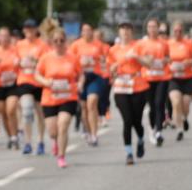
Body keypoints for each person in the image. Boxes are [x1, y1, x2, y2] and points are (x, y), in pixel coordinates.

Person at [34, 28, 82, 168]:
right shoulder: (45, 58)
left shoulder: (73, 57)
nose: (59, 43)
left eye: (61, 40)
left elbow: (81, 74)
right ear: (51, 42)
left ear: (65, 41)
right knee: (52, 131)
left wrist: (80, 84)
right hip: (50, 98)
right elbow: (37, 75)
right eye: (56, 41)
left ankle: (61, 156)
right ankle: (56, 142)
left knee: (63, 125)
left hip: (68, 97)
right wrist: (45, 82)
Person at [108, 22, 150, 165]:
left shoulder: (139, 46)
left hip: (138, 85)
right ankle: (129, 153)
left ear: (132, 32)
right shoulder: (113, 50)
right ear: (119, 32)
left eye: (128, 30)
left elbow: (148, 63)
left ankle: (140, 139)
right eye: (122, 30)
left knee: (136, 121)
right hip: (121, 87)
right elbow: (111, 69)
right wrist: (124, 59)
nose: (125, 32)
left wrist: (136, 57)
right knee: (127, 120)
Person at [69, 23, 109, 146]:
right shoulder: (76, 45)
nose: (87, 32)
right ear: (81, 32)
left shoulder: (99, 45)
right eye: (84, 30)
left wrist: (102, 61)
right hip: (81, 78)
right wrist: (80, 61)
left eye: (89, 30)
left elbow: (107, 58)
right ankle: (87, 129)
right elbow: (69, 60)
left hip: (95, 76)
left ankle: (94, 135)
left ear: (92, 32)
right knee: (84, 107)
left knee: (92, 103)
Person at [14, 19, 49, 155]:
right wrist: (18, 63)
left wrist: (36, 62)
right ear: (23, 30)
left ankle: (40, 141)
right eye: (26, 29)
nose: (29, 31)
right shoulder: (19, 45)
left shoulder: (42, 45)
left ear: (36, 30)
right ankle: (28, 142)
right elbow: (14, 62)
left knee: (40, 114)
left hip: (39, 82)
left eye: (31, 28)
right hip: (24, 81)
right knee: (27, 111)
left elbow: (47, 62)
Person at [0, 27, 21, 150]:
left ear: (9, 37)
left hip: (13, 84)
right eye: (1, 36)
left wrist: (19, 63)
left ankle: (15, 135)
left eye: (6, 36)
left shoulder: (15, 50)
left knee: (11, 109)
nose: (4, 38)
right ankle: (11, 136)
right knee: (3, 113)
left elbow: (22, 65)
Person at [137, 18, 170, 146]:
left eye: (155, 26)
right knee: (152, 106)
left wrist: (165, 61)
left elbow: (168, 57)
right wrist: (146, 60)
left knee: (159, 103)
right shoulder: (141, 44)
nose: (152, 29)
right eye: (150, 27)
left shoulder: (164, 43)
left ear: (158, 28)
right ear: (147, 29)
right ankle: (152, 128)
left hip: (162, 77)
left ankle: (159, 131)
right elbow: (137, 59)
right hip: (147, 78)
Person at [166, 22, 192, 141]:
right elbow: (163, 59)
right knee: (176, 102)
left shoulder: (189, 44)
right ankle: (179, 129)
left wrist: (188, 62)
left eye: (180, 31)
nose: (177, 33)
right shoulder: (168, 44)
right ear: (172, 32)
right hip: (173, 78)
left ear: (183, 32)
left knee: (185, 103)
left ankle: (184, 118)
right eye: (175, 31)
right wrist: (170, 64)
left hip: (187, 78)